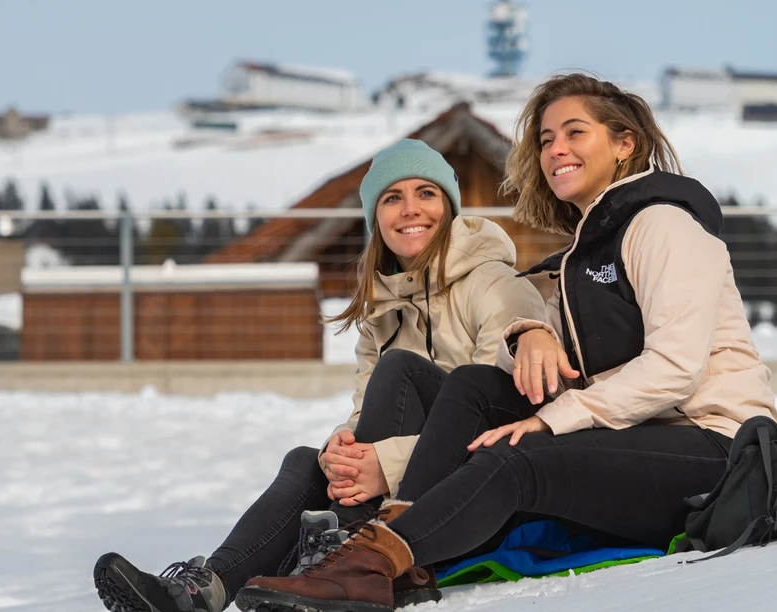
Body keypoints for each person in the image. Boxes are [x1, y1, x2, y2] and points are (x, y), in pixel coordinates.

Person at [235, 73, 777, 612]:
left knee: (516, 458)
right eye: (546, 140)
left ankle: (367, 564)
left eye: (574, 133)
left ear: (624, 144)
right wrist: (533, 334)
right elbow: (513, 350)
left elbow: (674, 370)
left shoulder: (663, 226)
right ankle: (380, 548)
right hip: (637, 436)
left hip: (717, 448)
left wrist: (552, 419)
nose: (556, 150)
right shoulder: (580, 257)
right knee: (474, 386)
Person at [92, 139, 547, 612]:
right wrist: (344, 452)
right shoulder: (382, 311)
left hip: (472, 490)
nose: (411, 210)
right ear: (376, 218)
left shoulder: (495, 284)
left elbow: (502, 422)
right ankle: (201, 590)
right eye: (392, 198)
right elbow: (367, 411)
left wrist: (383, 465)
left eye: (426, 193)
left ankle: (344, 568)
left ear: (449, 206)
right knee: (307, 460)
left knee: (401, 371)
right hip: (402, 485)